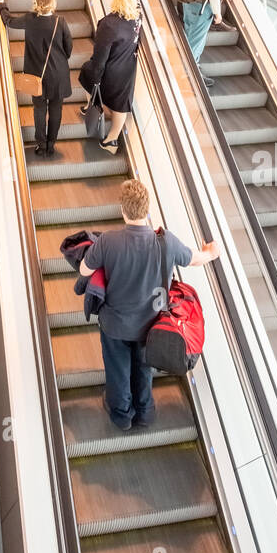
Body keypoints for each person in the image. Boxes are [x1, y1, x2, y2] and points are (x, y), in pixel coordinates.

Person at [79, 178, 220, 431]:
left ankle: (122, 415)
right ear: (147, 210)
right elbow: (195, 259)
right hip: (152, 324)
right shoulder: (166, 242)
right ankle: (145, 411)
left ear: (123, 209)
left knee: (118, 369)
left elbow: (84, 268)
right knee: (143, 367)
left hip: (115, 324)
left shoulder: (108, 242)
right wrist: (211, 252)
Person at [0, 0, 73, 157]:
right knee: (56, 110)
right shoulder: (60, 22)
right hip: (58, 75)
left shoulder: (30, 20)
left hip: (36, 75)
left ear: (36, 3)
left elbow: (9, 21)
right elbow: (69, 47)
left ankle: (41, 144)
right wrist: (60, 60)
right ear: (53, 5)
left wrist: (1, 6)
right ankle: (51, 144)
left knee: (39, 110)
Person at [79, 0, 141, 153]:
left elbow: (100, 55)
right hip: (127, 69)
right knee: (121, 103)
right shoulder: (137, 17)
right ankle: (112, 140)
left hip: (110, 69)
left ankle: (92, 106)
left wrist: (95, 76)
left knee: (86, 75)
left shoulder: (109, 24)